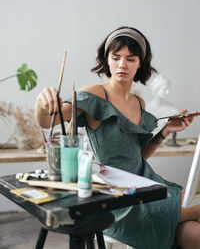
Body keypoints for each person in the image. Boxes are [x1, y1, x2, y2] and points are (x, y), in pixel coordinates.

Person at [35, 26, 200, 249]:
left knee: (192, 231)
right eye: (116, 57)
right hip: (117, 197)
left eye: (130, 59)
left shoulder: (139, 102)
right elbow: (48, 121)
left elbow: (138, 156)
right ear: (107, 60)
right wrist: (41, 104)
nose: (122, 64)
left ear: (139, 63)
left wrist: (165, 131)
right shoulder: (94, 94)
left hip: (148, 183)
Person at [146, 74, 179, 139]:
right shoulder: (146, 108)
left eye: (168, 89)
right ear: (156, 89)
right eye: (164, 89)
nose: (168, 92)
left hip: (166, 145)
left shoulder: (173, 111)